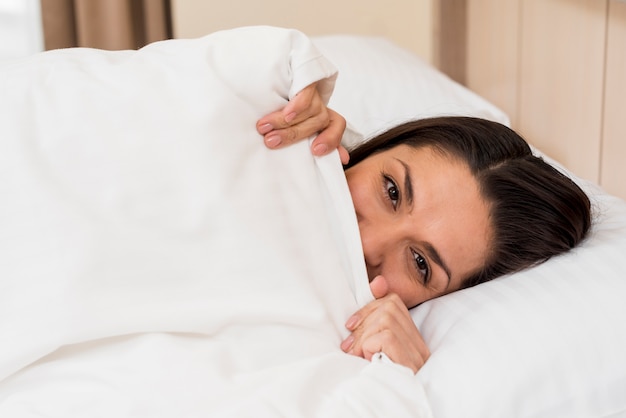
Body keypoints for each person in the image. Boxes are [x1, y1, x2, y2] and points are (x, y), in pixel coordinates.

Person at [256, 84, 591, 374]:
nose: (367, 245)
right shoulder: (273, 145)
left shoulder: (352, 368)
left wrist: (395, 388)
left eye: (419, 263)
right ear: (375, 150)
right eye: (392, 191)